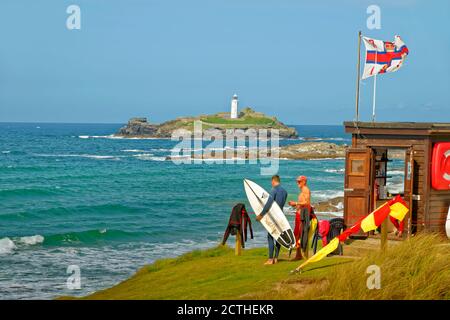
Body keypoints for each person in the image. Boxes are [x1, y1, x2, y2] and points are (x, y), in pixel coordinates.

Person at [256, 175, 288, 265]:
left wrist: (261, 215)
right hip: (281, 217)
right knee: (278, 237)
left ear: (273, 181)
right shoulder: (285, 192)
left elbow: (269, 204)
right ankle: (276, 258)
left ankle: (270, 259)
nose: (271, 183)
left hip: (273, 217)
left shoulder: (274, 190)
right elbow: (280, 205)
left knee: (270, 236)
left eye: (271, 182)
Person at [288, 175, 312, 260]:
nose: (297, 183)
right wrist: (295, 205)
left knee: (299, 234)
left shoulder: (305, 190)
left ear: (304, 181)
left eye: (299, 181)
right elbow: (302, 203)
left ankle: (299, 255)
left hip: (302, 216)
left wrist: (295, 203)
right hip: (299, 214)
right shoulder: (302, 190)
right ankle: (298, 254)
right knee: (297, 235)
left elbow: (307, 202)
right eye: (297, 181)